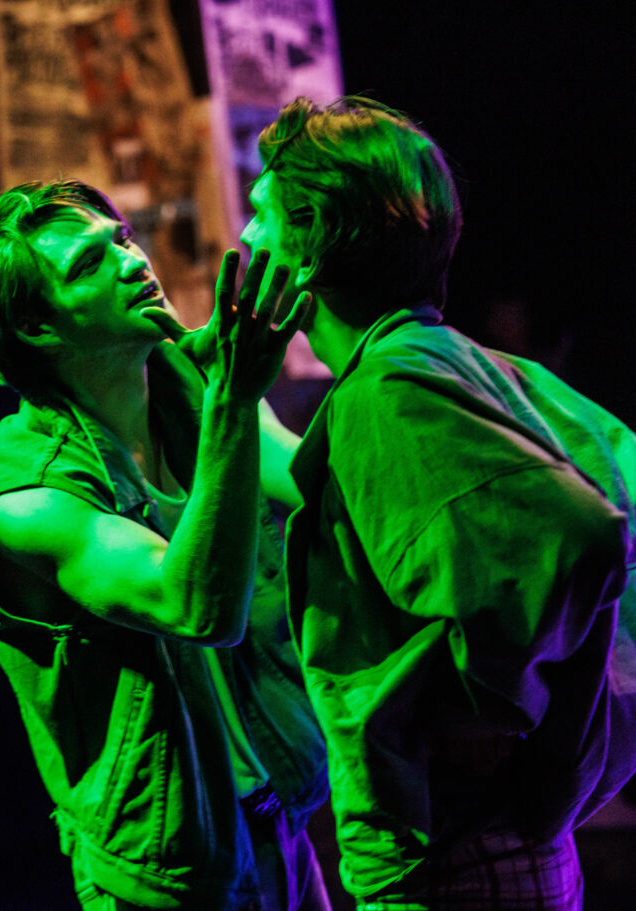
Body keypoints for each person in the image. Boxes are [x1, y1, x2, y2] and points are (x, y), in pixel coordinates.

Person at [248, 95, 636, 909]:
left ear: (311, 240)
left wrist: (489, 699)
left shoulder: (387, 391)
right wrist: (225, 405)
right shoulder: (450, 362)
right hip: (502, 851)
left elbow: (585, 534)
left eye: (261, 213)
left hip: (462, 859)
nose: (245, 238)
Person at [0, 179, 331, 910]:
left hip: (280, 816)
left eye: (120, 238)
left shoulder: (190, 384)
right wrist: (235, 402)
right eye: (90, 263)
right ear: (37, 326)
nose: (132, 260)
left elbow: (315, 483)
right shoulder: (26, 497)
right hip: (169, 867)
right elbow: (194, 607)